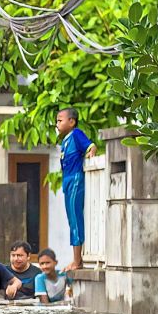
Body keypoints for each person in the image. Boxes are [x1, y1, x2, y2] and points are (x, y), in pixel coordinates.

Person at [56, 107, 96, 271]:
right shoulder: (65, 140)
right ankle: (75, 259)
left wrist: (90, 154)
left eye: (60, 120)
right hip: (67, 180)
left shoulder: (77, 134)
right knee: (71, 219)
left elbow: (91, 146)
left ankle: (77, 260)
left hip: (75, 179)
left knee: (75, 218)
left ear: (71, 122)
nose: (57, 124)